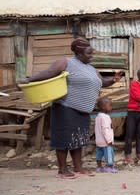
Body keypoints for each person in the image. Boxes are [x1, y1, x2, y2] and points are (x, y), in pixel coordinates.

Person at [17, 38, 123, 179]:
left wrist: (114, 79)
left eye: (92, 53)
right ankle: (62, 169)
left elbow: (102, 82)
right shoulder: (66, 62)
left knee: (78, 140)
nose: (91, 56)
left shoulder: (91, 69)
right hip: (65, 108)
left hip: (83, 111)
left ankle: (78, 167)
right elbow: (48, 73)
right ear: (79, 53)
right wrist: (29, 80)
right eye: (88, 54)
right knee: (63, 139)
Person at [95, 97, 117, 173]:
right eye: (110, 105)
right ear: (103, 107)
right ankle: (109, 167)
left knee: (99, 154)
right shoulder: (105, 117)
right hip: (105, 141)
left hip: (98, 140)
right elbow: (105, 129)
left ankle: (99, 167)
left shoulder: (98, 116)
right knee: (109, 153)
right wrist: (109, 140)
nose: (111, 107)